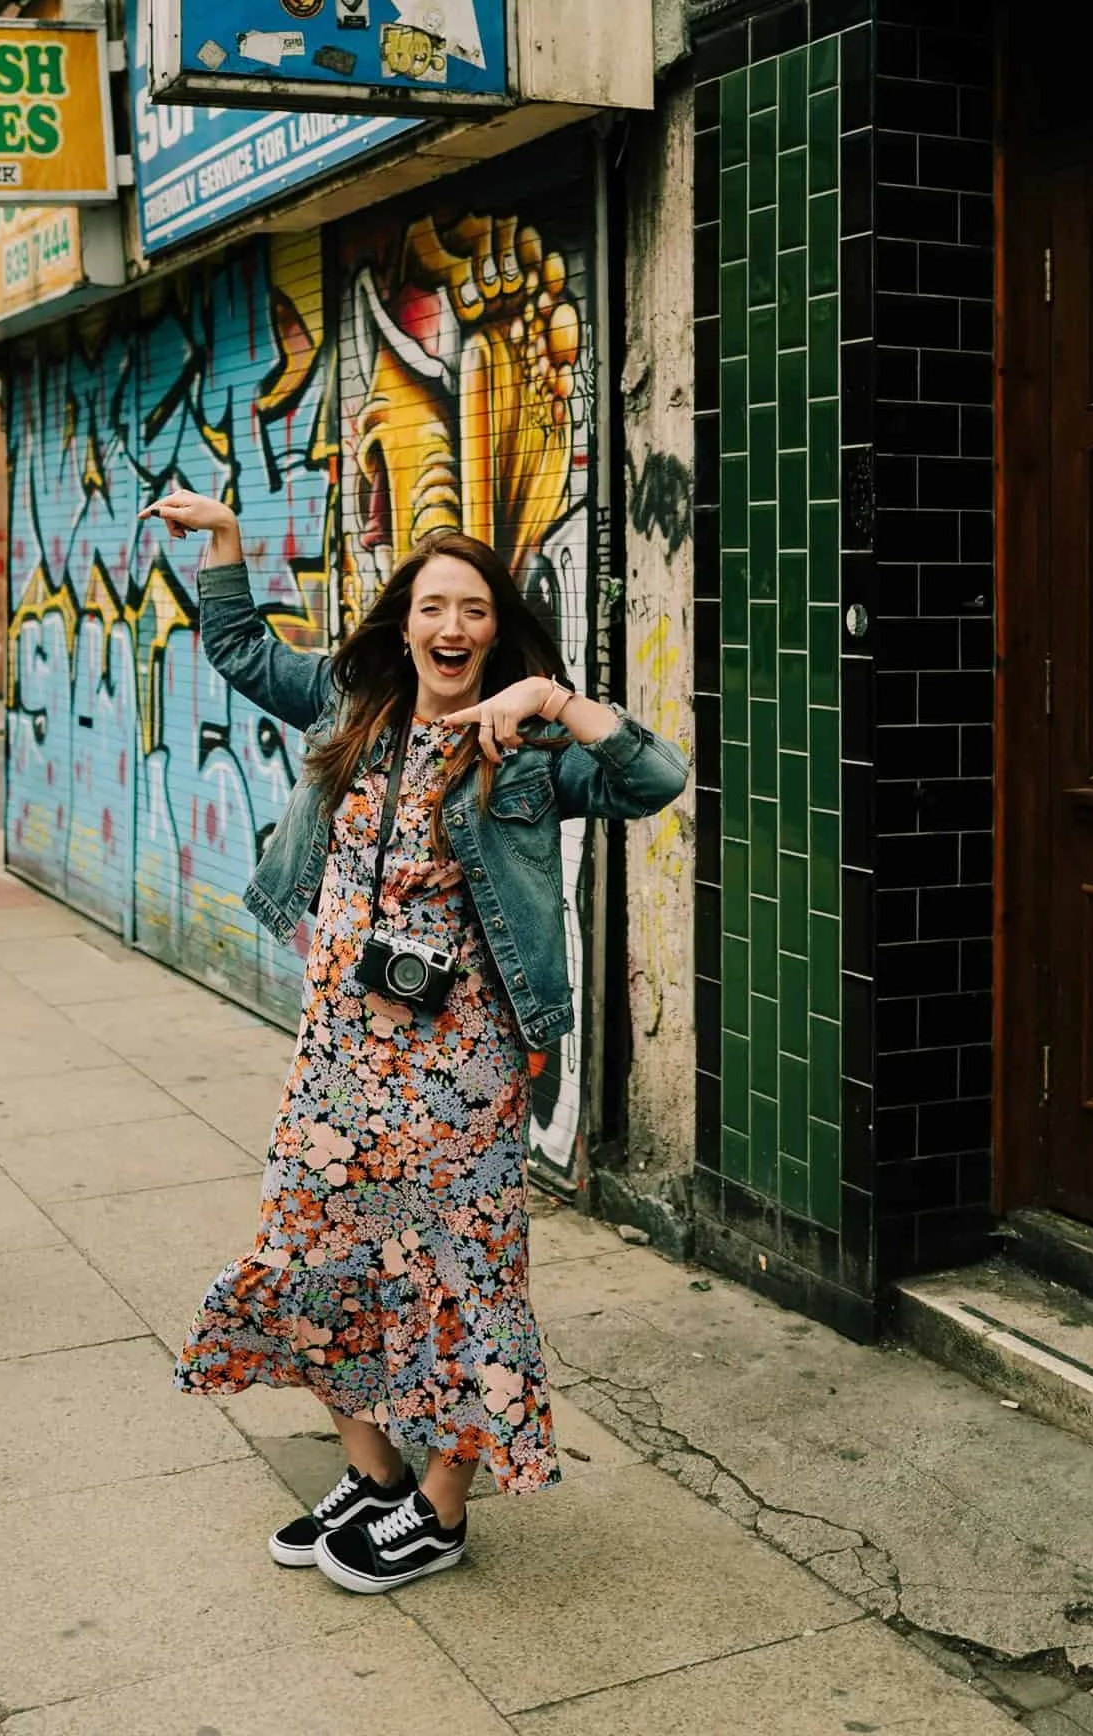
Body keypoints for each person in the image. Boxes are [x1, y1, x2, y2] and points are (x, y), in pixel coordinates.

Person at [149, 488, 688, 1595]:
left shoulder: (527, 749)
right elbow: (241, 650)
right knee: (310, 1254)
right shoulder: (348, 704)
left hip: (463, 1067)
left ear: (496, 631)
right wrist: (229, 546)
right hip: (339, 1051)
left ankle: (440, 1510)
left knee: (461, 1275)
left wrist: (551, 698)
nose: (452, 627)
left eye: (474, 611)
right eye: (433, 606)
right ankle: (375, 1473)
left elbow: (656, 778)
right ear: (403, 623)